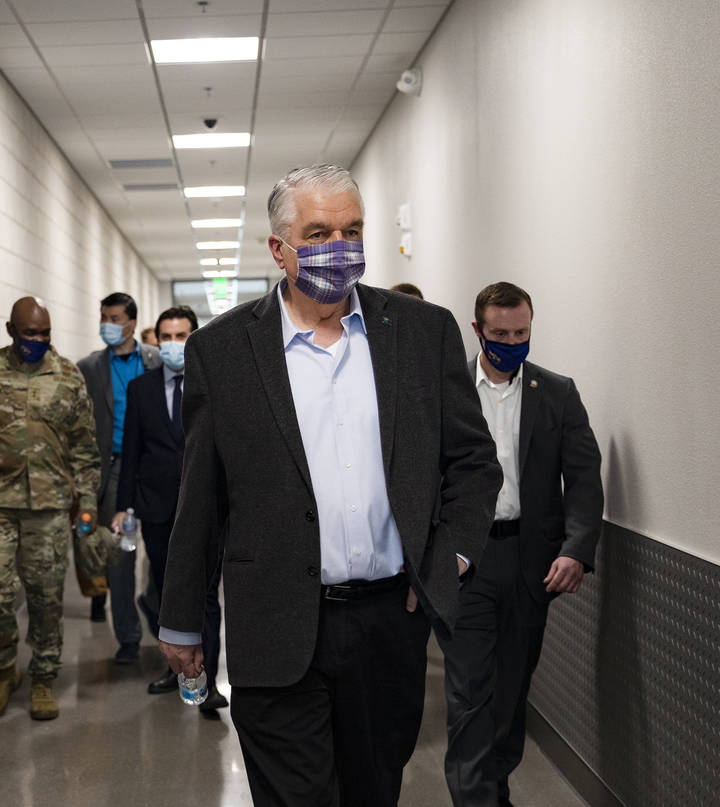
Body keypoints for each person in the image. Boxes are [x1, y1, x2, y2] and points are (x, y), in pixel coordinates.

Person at [158, 164, 502, 806]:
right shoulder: (225, 351)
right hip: (273, 626)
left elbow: (475, 464)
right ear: (278, 248)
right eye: (318, 232)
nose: (339, 246)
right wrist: (182, 618)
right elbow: (202, 497)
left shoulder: (422, 334)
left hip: (387, 622)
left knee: (373, 792)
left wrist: (446, 560)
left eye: (352, 230)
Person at [438, 282, 603, 807]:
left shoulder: (557, 393)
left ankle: (494, 789)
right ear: (477, 330)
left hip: (529, 563)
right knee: (469, 694)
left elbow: (583, 477)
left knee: (509, 695)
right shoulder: (447, 390)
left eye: (522, 332)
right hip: (467, 560)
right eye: (500, 333)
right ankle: (477, 800)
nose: (512, 341)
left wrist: (575, 547)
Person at [0, 297, 101, 721]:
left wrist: (88, 502)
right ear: (11, 330)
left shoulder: (67, 376)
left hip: (49, 505)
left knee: (47, 595)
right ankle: (6, 669)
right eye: (30, 333)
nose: (38, 341)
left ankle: (45, 675)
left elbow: (85, 449)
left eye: (45, 333)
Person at [113, 306, 225, 711]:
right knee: (165, 593)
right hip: (158, 507)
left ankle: (208, 680)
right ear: (157, 341)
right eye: (168, 337)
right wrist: (124, 505)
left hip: (207, 507)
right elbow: (131, 451)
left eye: (183, 336)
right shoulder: (141, 389)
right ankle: (175, 669)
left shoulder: (214, 380)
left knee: (207, 595)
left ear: (195, 337)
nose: (175, 344)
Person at [77, 293, 162, 661]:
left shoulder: (156, 360)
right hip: (114, 470)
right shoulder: (89, 367)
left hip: (154, 467)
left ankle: (159, 615)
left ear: (131, 322)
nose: (107, 325)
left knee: (162, 552)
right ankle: (128, 637)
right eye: (104, 317)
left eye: (114, 318)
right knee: (121, 556)